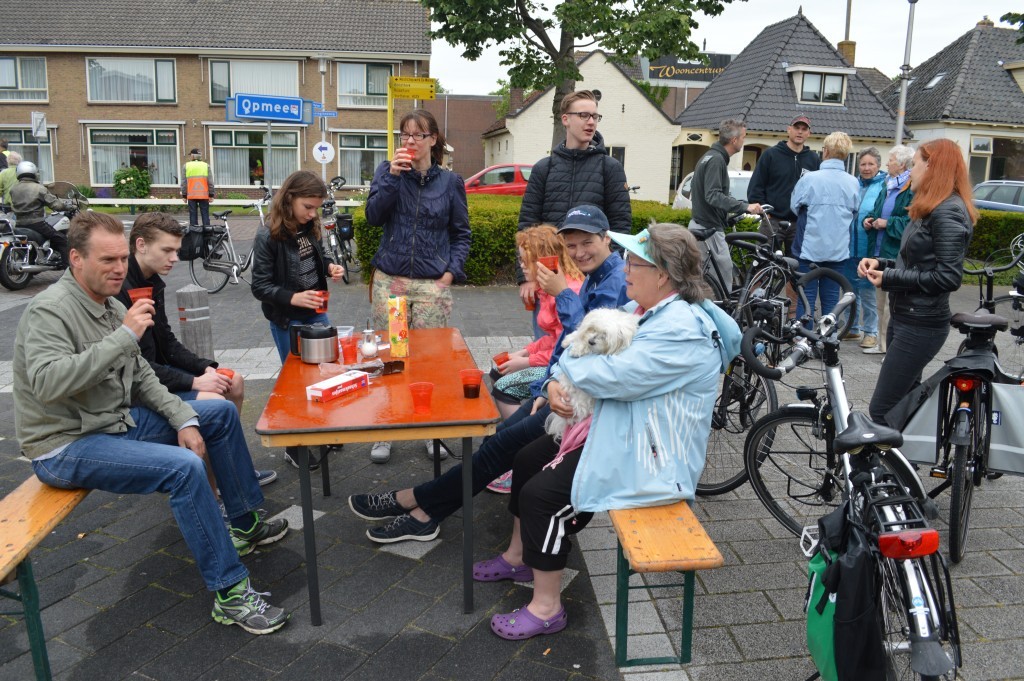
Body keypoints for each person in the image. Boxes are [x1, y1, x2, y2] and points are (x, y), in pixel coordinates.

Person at [13, 211, 291, 635]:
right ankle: (231, 593)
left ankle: (244, 521)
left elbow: (142, 374)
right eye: (107, 260)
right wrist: (123, 336)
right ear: (75, 259)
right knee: (184, 469)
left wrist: (184, 418)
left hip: (112, 420)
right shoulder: (50, 311)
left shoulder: (106, 303)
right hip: (65, 443)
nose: (119, 269)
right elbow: (49, 384)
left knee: (214, 412)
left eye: (121, 259)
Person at [479, 224, 736, 641]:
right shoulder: (648, 312)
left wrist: (565, 371)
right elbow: (581, 351)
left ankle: (546, 608)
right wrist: (554, 381)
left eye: (634, 263)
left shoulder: (681, 330)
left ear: (663, 275)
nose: (625, 269)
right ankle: (521, 555)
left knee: (543, 496)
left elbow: (611, 376)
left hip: (650, 457)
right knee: (527, 459)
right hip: (622, 429)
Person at [348, 204, 629, 543]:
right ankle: (421, 505)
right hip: (559, 391)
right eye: (571, 245)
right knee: (495, 444)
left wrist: (562, 296)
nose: (578, 252)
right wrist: (544, 386)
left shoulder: (612, 281)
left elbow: (584, 344)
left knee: (497, 450)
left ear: (605, 238)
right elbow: (566, 348)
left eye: (587, 243)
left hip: (579, 408)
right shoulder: (598, 276)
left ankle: (418, 504)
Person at [115, 212, 277, 486]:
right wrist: (194, 381)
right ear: (141, 245)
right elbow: (137, 367)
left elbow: (166, 341)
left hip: (156, 373)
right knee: (215, 401)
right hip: (136, 387)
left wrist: (207, 367)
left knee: (232, 381)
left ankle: (231, 468)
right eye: (167, 250)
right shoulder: (119, 287)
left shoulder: (152, 281)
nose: (175, 259)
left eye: (176, 251)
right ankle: (213, 488)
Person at [364, 108, 471, 464]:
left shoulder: (450, 183)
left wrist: (450, 273)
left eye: (417, 135)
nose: (409, 141)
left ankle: (431, 431)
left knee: (430, 359)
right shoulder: (387, 171)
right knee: (393, 356)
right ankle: (387, 429)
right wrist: (393, 178)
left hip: (431, 286)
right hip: (391, 283)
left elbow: (461, 233)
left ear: (433, 140)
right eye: (404, 135)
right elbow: (373, 217)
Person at [859, 139, 975, 424]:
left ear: (932, 166)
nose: (911, 172)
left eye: (916, 164)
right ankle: (900, 467)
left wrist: (890, 278)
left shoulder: (948, 211)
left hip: (921, 323)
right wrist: (882, 264)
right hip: (907, 316)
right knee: (903, 407)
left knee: (882, 409)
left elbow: (948, 277)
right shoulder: (928, 206)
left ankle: (888, 467)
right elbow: (915, 261)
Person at [517, 90, 632, 336]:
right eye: (583, 115)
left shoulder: (609, 168)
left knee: (587, 342)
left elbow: (621, 226)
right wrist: (525, 275)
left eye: (595, 116)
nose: (591, 121)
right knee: (547, 349)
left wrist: (610, 275)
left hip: (590, 277)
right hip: (549, 276)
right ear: (565, 119)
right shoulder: (544, 169)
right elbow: (527, 226)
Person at [251, 170, 344, 470]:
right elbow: (259, 286)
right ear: (289, 198)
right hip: (288, 319)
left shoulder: (311, 227)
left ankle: (322, 430)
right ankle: (294, 444)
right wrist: (292, 298)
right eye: (308, 206)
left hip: (317, 311)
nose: (312, 213)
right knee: (294, 383)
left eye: (316, 207)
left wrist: (331, 268)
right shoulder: (268, 235)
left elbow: (322, 255)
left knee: (327, 373)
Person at [486, 225, 584, 493]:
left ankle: (515, 457)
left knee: (504, 386)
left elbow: (562, 347)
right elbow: (550, 339)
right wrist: (524, 352)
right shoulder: (546, 289)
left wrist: (527, 362)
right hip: (550, 361)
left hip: (557, 371)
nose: (521, 267)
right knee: (497, 374)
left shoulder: (566, 292)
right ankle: (516, 438)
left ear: (543, 259)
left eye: (523, 260)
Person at [790, 131, 860, 322]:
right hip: (838, 251)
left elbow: (794, 206)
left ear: (825, 151)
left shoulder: (809, 179)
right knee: (831, 301)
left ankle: (803, 340)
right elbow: (854, 213)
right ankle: (829, 342)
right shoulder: (853, 182)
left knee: (807, 300)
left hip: (809, 249)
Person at [688, 118, 763, 291]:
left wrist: (730, 214)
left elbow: (713, 194)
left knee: (706, 279)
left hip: (703, 224)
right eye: (744, 137)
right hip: (709, 229)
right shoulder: (716, 160)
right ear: (734, 140)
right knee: (722, 279)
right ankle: (721, 316)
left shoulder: (709, 157)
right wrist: (745, 207)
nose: (744, 141)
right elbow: (713, 195)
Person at [863, 145, 915, 356]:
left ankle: (890, 348)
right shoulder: (888, 184)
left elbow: (911, 223)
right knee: (880, 302)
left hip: (895, 253)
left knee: (891, 307)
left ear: (902, 164)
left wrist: (887, 223)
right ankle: (882, 344)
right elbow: (878, 210)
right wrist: (870, 220)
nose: (887, 164)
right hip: (879, 250)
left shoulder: (911, 188)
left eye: (891, 160)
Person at [747, 115, 821, 253]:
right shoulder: (771, 155)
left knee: (797, 268)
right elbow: (756, 186)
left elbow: (817, 191)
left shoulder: (814, 159)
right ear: (788, 130)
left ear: (809, 133)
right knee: (763, 262)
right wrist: (765, 213)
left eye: (804, 129)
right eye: (796, 128)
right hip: (772, 221)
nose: (800, 132)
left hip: (799, 223)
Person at [845, 147, 886, 349]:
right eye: (863, 164)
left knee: (868, 293)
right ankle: (852, 328)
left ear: (878, 165)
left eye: (871, 164)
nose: (866, 168)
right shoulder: (854, 184)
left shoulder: (884, 185)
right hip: (849, 248)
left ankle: (871, 332)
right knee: (849, 290)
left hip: (869, 249)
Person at [9, 160, 71, 266]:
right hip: (37, 224)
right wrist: (68, 205)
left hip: (19, 223)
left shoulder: (13, 189)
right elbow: (56, 205)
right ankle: (68, 269)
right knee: (62, 240)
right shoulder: (39, 188)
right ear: (34, 173)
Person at [181, 148, 215, 227]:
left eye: (191, 155)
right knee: (205, 215)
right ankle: (207, 235)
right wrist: (211, 195)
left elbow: (184, 182)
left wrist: (184, 195)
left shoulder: (186, 166)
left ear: (192, 156)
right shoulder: (206, 166)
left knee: (193, 216)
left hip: (191, 196)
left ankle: (194, 235)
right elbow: (210, 182)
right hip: (204, 195)